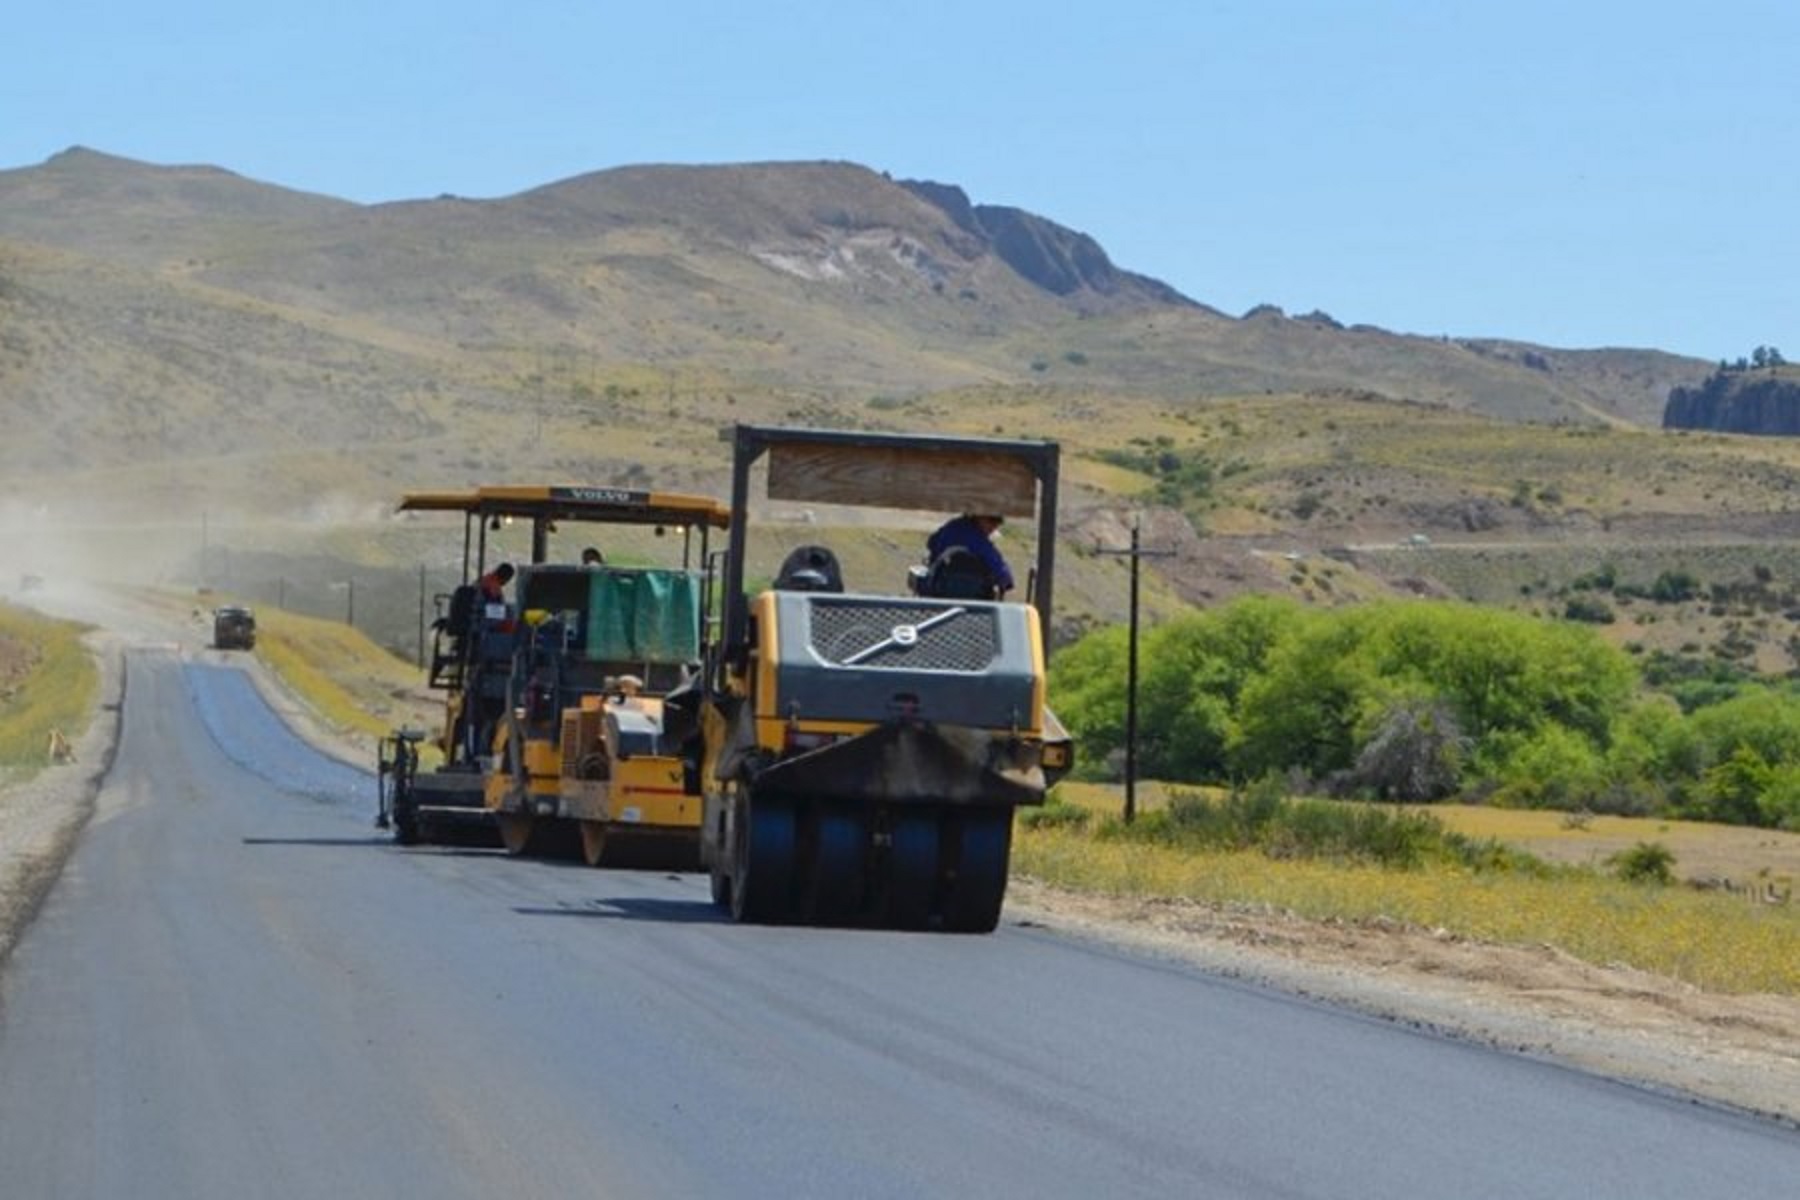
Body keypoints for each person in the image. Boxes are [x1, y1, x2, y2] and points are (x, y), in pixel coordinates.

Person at [926, 513, 1013, 596]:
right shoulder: (981, 543)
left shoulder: (953, 526)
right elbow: (1002, 573)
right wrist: (1006, 582)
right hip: (974, 597)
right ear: (979, 517)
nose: (994, 526)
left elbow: (931, 542)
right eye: (992, 520)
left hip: (939, 590)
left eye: (997, 521)